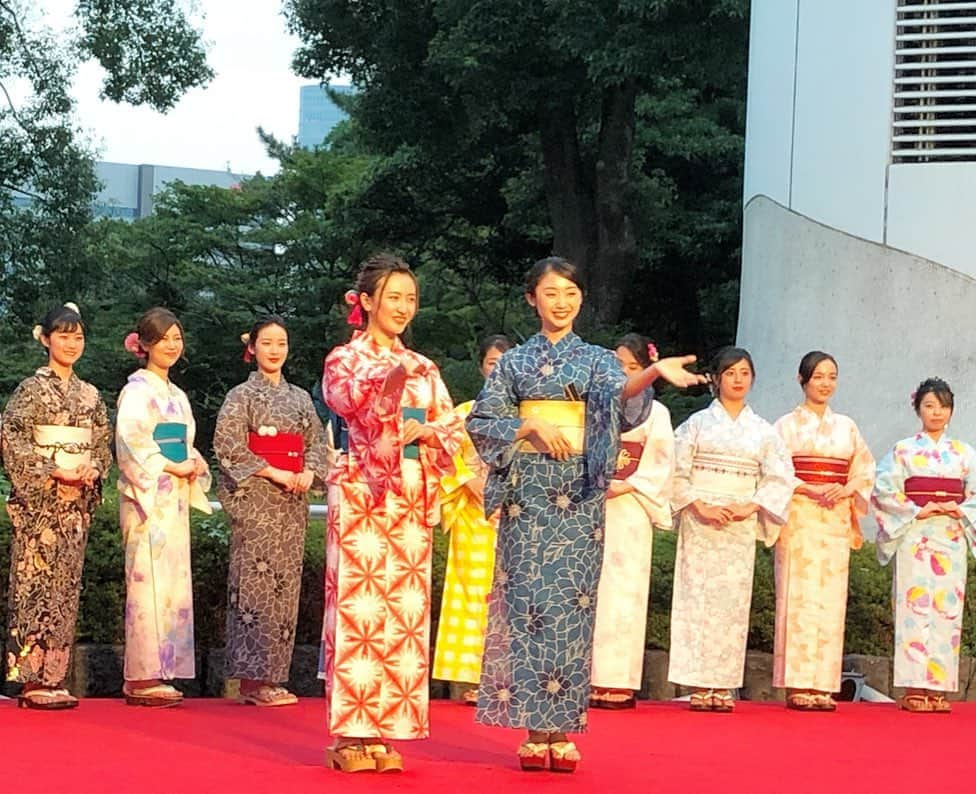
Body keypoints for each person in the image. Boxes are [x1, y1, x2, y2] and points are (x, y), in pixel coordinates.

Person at [467, 256, 705, 773]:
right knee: (528, 609)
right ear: (533, 299)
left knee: (572, 610)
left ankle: (564, 726)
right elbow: (485, 419)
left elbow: (616, 399)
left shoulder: (596, 359)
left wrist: (652, 374)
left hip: (577, 496)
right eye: (551, 293)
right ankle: (534, 727)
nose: (561, 302)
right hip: (529, 497)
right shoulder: (513, 364)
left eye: (570, 293)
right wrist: (527, 427)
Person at [320, 253, 463, 773]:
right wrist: (389, 382)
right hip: (362, 491)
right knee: (360, 614)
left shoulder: (425, 366)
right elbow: (346, 403)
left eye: (410, 298)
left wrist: (428, 431)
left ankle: (386, 726)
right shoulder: (346, 359)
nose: (403, 307)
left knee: (403, 617)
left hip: (409, 493)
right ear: (367, 301)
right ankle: (349, 734)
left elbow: (451, 427)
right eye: (394, 297)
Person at [667, 346, 793, 712]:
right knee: (697, 599)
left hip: (738, 520)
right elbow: (675, 470)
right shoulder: (696, 425)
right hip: (700, 518)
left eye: (744, 373)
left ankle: (722, 685)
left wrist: (750, 505)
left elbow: (779, 477)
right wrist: (697, 504)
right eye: (730, 372)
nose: (738, 379)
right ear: (716, 379)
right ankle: (698, 683)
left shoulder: (763, 432)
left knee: (731, 603)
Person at [213, 316, 331, 706]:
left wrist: (310, 470)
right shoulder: (240, 397)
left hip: (291, 501)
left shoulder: (299, 398)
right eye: (267, 343)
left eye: (281, 343)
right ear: (253, 348)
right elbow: (229, 444)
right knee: (254, 583)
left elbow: (316, 441)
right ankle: (252, 679)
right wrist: (275, 471)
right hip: (258, 498)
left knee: (285, 585)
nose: (275, 350)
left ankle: (274, 676)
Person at [1, 303, 111, 709]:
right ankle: (30, 680)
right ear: (45, 339)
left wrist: (92, 469)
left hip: (73, 505)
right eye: (63, 335)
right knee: (34, 586)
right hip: (40, 504)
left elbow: (101, 445)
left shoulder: (90, 394)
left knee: (65, 588)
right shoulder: (30, 390)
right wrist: (52, 469)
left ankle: (55, 675)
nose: (71, 343)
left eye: (77, 336)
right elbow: (11, 439)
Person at [116, 307, 212, 707]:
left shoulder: (178, 395)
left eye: (177, 337)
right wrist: (173, 464)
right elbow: (132, 443)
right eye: (163, 338)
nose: (172, 345)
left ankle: (164, 669)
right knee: (144, 583)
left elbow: (186, 442)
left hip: (172, 497)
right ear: (145, 345)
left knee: (171, 584)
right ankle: (140, 676)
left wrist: (194, 463)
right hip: (147, 497)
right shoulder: (136, 391)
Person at [772, 352, 874, 710]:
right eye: (818, 377)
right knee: (797, 595)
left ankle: (823, 683)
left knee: (830, 599)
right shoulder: (785, 426)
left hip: (834, 518)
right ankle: (798, 682)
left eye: (832, 376)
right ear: (802, 380)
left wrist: (846, 489)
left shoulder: (846, 426)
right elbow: (775, 471)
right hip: (801, 514)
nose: (826, 383)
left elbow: (864, 470)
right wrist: (806, 487)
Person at [871, 377, 976, 713]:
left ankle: (940, 688)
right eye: (929, 405)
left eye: (943, 406)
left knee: (947, 609)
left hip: (950, 533)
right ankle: (916, 686)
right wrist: (918, 508)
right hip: (916, 534)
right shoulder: (904, 450)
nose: (936, 412)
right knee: (914, 608)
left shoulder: (964, 454)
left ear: (951, 410)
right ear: (917, 408)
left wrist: (957, 507)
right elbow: (883, 490)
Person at [589, 334, 675, 710]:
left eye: (633, 367)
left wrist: (628, 484)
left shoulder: (658, 414)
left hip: (634, 506)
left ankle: (619, 681)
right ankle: (588, 678)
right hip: (595, 503)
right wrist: (597, 479)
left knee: (626, 593)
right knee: (591, 589)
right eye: (618, 366)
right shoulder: (595, 404)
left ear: (647, 370)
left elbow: (661, 462)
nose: (624, 373)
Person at [432, 334, 514, 704]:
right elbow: (443, 455)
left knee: (510, 596)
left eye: (504, 363)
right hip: (473, 513)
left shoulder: (527, 417)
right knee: (470, 594)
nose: (497, 369)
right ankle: (468, 678)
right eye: (491, 362)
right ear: (482, 366)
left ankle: (506, 676)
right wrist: (469, 481)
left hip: (513, 515)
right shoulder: (463, 413)